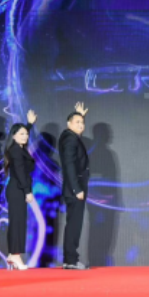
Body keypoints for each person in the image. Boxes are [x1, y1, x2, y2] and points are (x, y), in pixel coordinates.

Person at [3, 110, 39, 271]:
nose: (25, 136)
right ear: (14, 136)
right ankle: (15, 255)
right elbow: (20, 172)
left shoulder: (18, 148)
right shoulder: (16, 151)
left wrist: (29, 124)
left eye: (27, 134)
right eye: (21, 134)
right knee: (17, 223)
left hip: (17, 189)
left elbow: (22, 134)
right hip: (18, 189)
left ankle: (13, 254)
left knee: (18, 222)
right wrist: (27, 191)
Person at [58, 103, 91, 271]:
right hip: (74, 189)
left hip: (73, 188)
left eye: (82, 122)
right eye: (77, 122)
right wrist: (77, 189)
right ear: (68, 124)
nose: (81, 125)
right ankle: (71, 260)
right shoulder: (70, 139)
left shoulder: (69, 137)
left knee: (72, 224)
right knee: (74, 225)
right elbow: (69, 165)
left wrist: (79, 115)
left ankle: (69, 259)